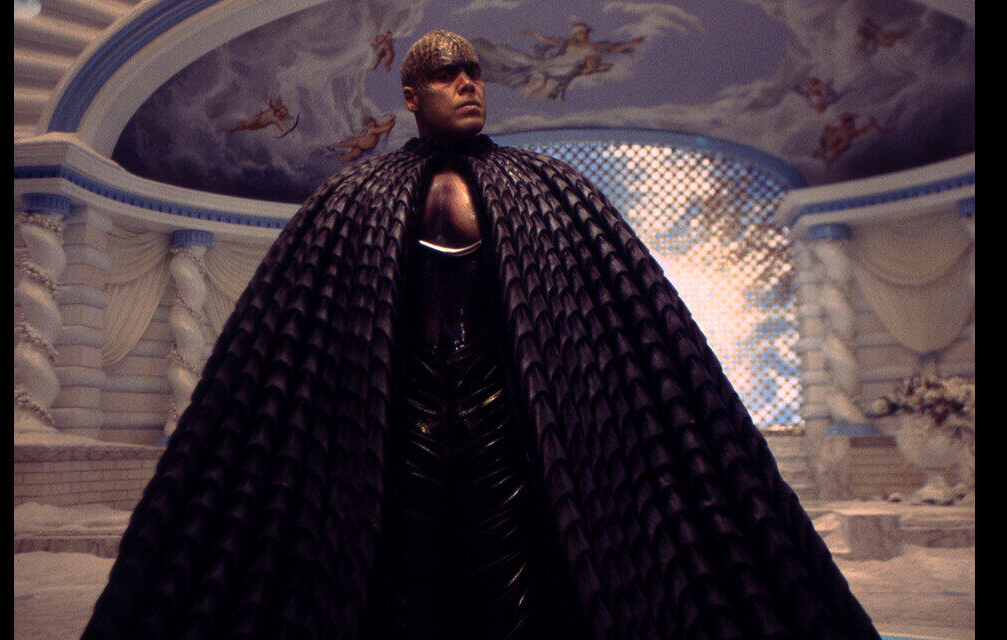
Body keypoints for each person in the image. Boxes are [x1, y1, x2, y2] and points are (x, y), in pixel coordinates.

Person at [81, 30, 881, 640]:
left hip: (514, 431)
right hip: (396, 433)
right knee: (403, 586)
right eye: (445, 75)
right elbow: (296, 337)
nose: (468, 85)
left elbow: (617, 324)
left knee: (519, 588)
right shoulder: (352, 199)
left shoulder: (547, 191)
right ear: (409, 94)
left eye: (473, 74)